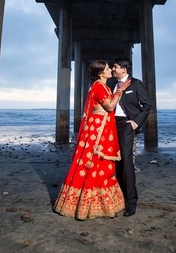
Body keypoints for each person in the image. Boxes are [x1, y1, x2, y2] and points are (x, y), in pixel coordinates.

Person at [53, 60, 131, 220]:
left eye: (110, 68)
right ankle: (86, 205)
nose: (110, 70)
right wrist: (120, 92)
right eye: (108, 68)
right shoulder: (98, 86)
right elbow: (109, 106)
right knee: (94, 162)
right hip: (98, 131)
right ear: (101, 72)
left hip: (102, 128)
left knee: (103, 165)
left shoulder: (105, 86)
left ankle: (102, 205)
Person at [111, 57, 152, 217]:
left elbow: (148, 104)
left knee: (127, 162)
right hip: (113, 126)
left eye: (115, 67)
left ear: (124, 69)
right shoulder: (112, 85)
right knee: (117, 162)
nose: (113, 69)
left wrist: (135, 123)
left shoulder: (135, 83)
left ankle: (132, 201)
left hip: (127, 125)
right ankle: (120, 197)